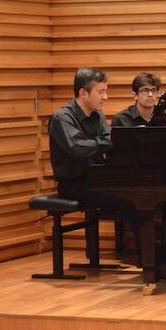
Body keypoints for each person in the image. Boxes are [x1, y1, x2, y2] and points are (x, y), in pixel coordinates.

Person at [112, 73, 166, 279]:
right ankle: (156, 261)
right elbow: (118, 154)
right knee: (148, 203)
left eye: (153, 91)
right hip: (133, 180)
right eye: (145, 91)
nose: (150, 95)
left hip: (161, 177)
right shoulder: (122, 119)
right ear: (135, 95)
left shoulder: (165, 118)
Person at [48, 67, 140, 253]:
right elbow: (78, 149)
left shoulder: (97, 115)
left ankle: (159, 255)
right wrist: (106, 141)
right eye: (101, 92)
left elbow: (109, 141)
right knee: (131, 202)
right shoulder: (62, 118)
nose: (105, 97)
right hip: (75, 185)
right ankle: (149, 258)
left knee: (142, 195)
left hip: (98, 180)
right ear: (83, 93)